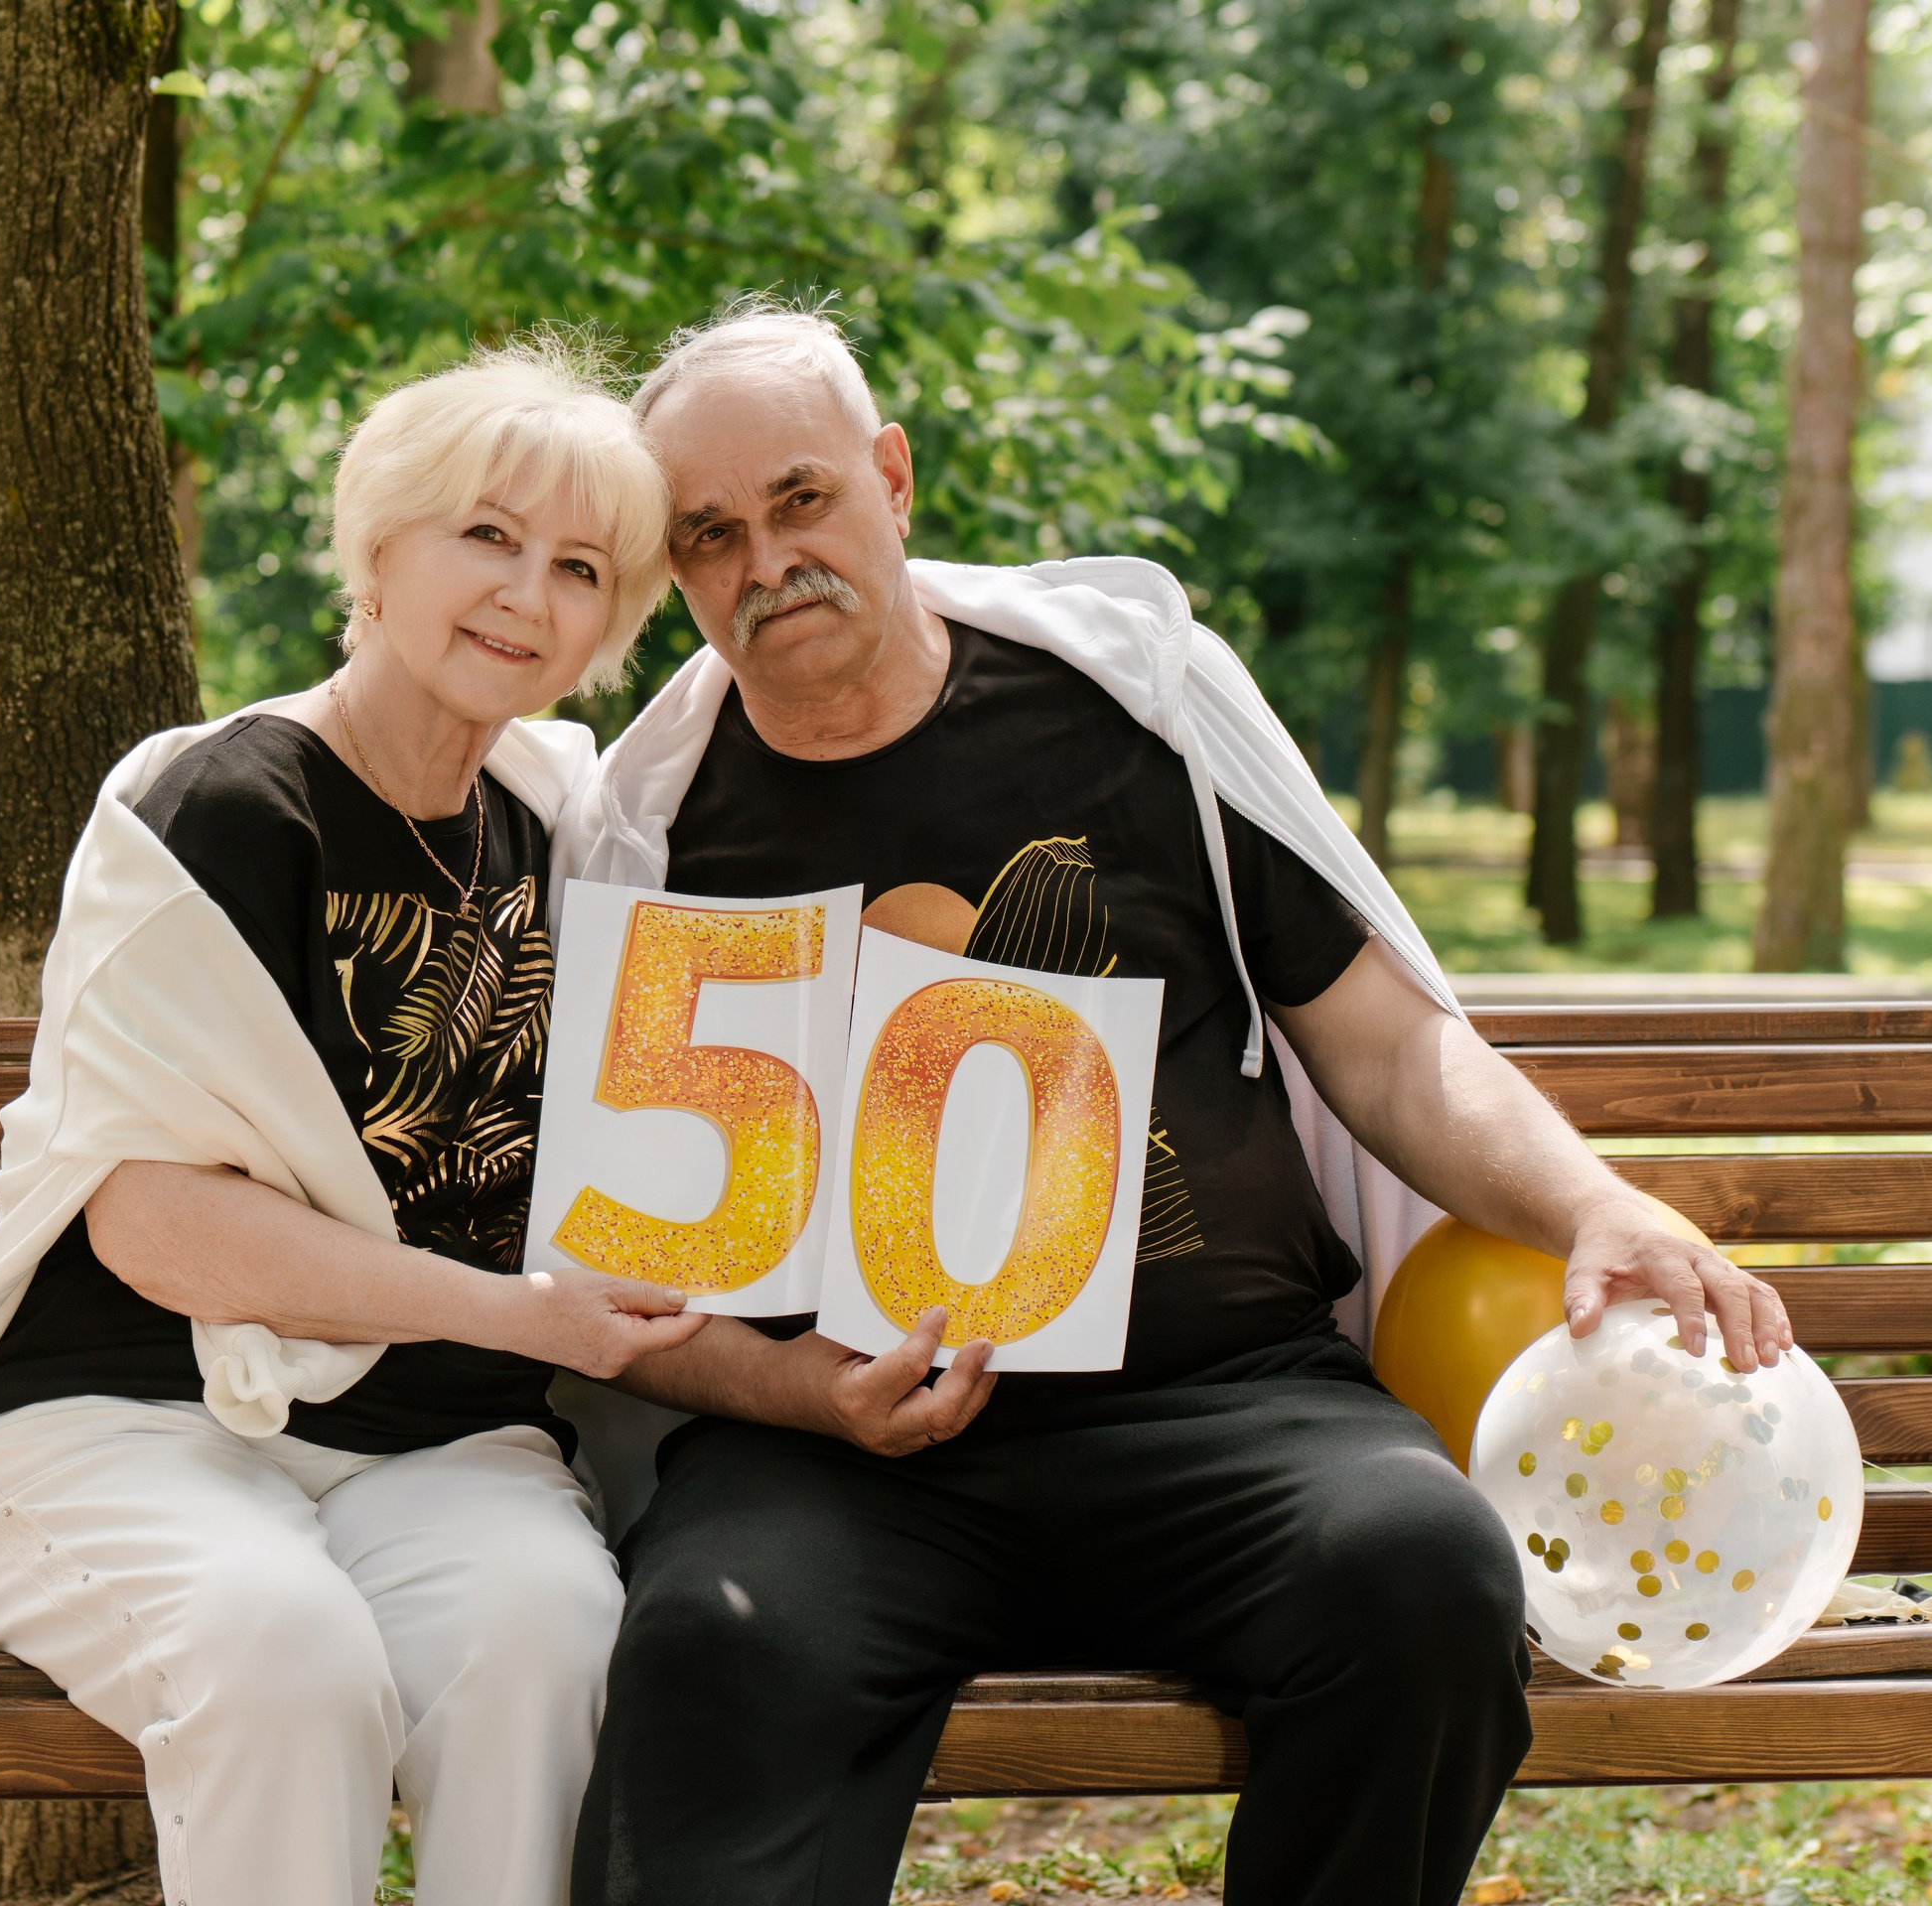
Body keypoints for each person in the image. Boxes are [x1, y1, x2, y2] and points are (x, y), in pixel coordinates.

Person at [558, 304, 1797, 1906]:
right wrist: (801, 1399)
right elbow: (635, 1258)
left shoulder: (1129, 705)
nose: (766, 560)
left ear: (892, 479)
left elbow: (1388, 1047)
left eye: (802, 500)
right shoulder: (649, 831)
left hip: (1219, 1409)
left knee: (1418, 1571)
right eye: (710, 535)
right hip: (839, 1460)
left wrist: (1595, 1204)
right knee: (704, 1649)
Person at [0, 340, 703, 1906]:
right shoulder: (224, 805)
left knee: (548, 1641)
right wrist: (513, 1311)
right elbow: (154, 1226)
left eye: (580, 569)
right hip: (122, 1420)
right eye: (486, 535)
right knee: (285, 1658)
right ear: (378, 543)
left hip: (432, 1445)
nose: (524, 595)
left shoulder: (568, 828)